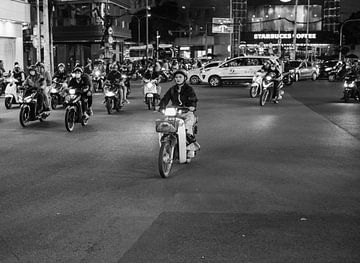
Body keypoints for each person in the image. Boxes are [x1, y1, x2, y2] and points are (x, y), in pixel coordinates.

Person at [158, 69, 199, 144]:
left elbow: (193, 99)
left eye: (180, 77)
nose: (178, 79)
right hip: (175, 112)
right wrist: (160, 106)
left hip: (187, 112)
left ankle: (190, 147)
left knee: (188, 127)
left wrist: (192, 106)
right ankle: (166, 149)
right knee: (165, 126)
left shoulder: (189, 89)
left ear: (185, 78)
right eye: (176, 77)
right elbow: (165, 98)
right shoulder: (172, 89)